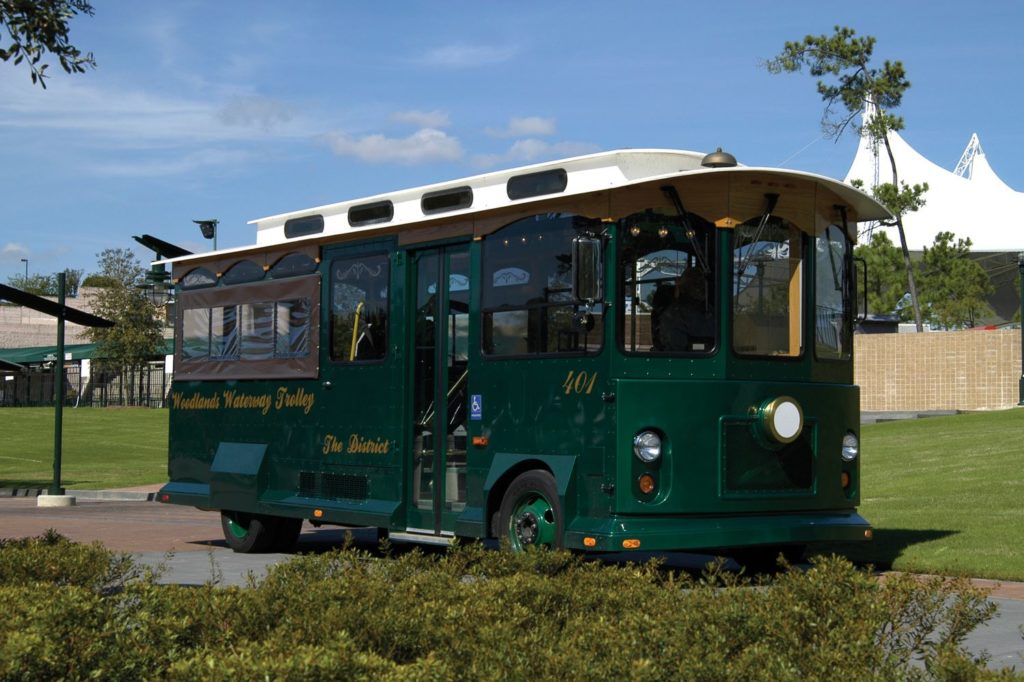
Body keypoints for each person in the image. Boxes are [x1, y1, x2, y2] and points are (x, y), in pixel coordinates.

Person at [654, 269, 713, 351]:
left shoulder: (710, 310)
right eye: (696, 284)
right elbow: (677, 348)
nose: (701, 288)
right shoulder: (673, 315)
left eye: (702, 284)